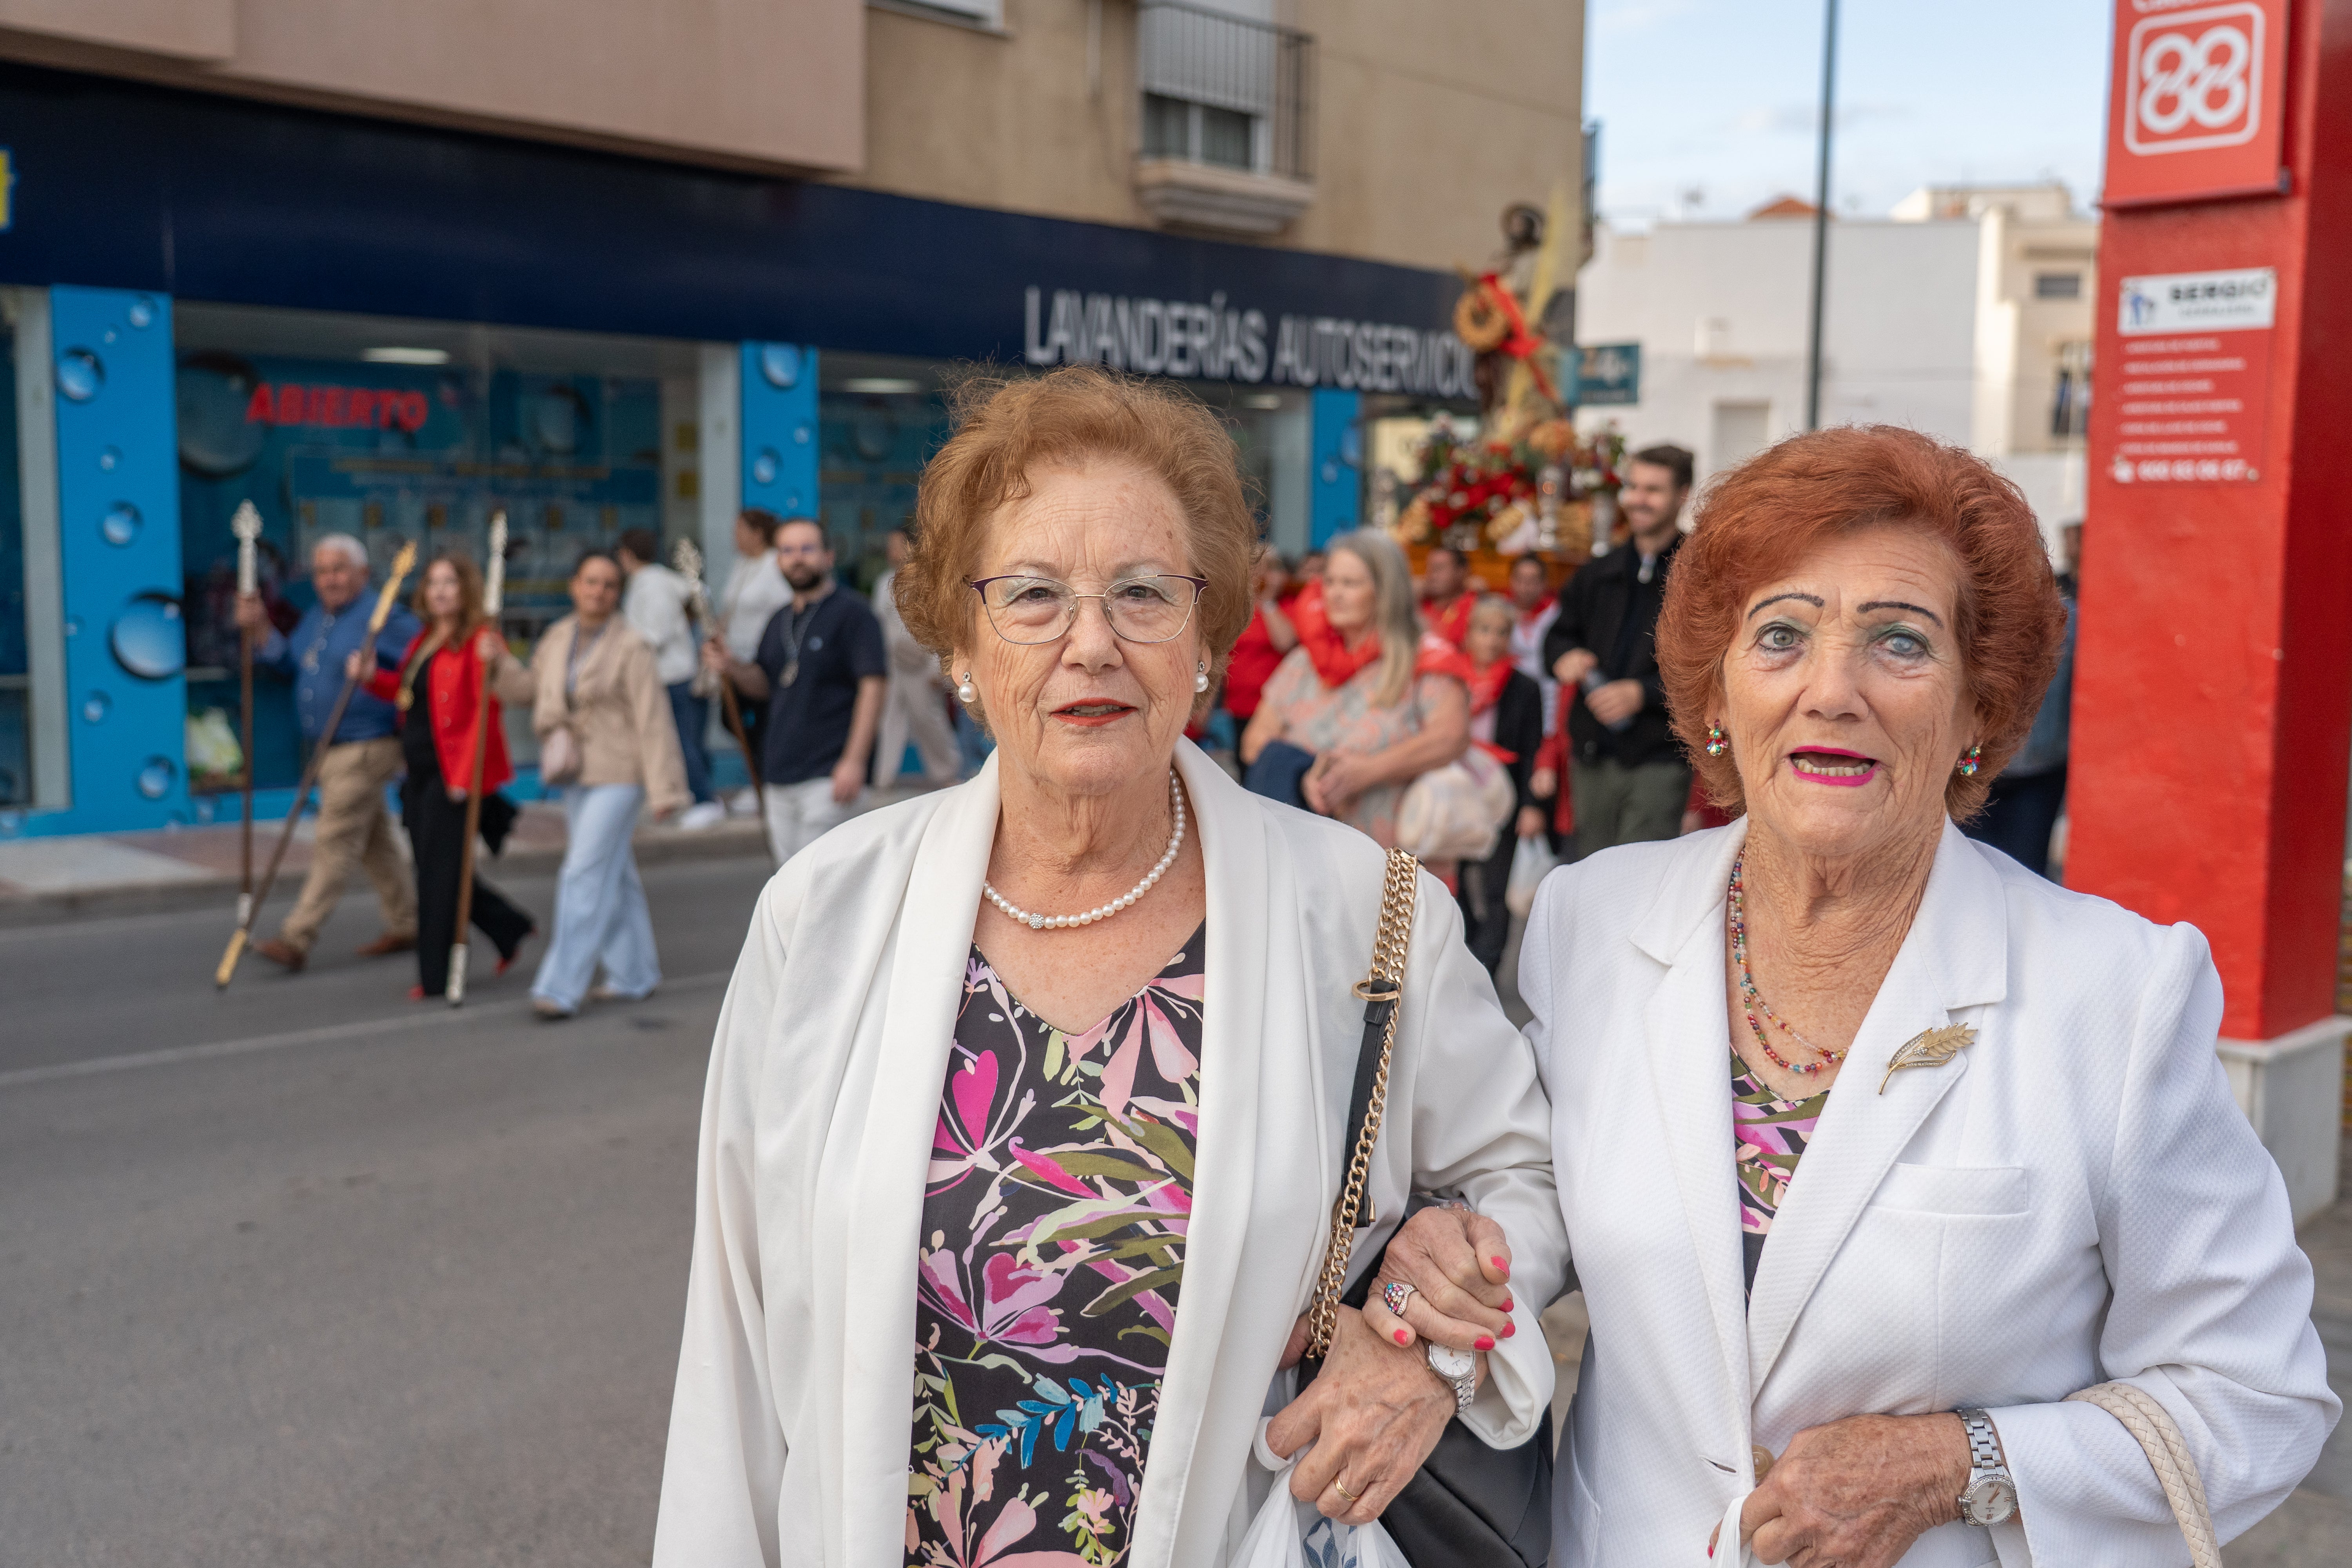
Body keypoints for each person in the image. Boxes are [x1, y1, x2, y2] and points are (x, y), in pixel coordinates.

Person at [650, 365, 1567, 1567]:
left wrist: (1422, 1336)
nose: (1092, 643)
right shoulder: (824, 914)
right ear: (962, 643)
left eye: (1142, 592)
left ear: (1203, 639)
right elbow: (733, 1333)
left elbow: (1524, 1175)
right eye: (1032, 595)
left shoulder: (1362, 909)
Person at [1515, 425, 2337, 1564]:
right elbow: (1531, 1196)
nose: (1831, 690)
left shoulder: (2112, 990)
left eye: (1898, 642)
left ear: (1975, 711)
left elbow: (2257, 1398)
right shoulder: (1591, 922)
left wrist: (1964, 1460)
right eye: (1781, 634)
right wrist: (1446, 1263)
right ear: (1716, 691)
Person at [352, 552, 537, 1000]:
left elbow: (481, 716)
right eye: (433, 583)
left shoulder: (480, 642)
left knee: (437, 878)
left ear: (466, 589)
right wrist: (372, 678)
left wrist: (463, 777)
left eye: (449, 582)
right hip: (417, 771)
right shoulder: (426, 639)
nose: (439, 591)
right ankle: (509, 926)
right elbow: (409, 695)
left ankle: (435, 976)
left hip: (450, 774)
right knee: (439, 867)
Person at [234, 534, 422, 972]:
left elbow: (421, 671)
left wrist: (383, 682)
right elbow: (290, 663)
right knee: (375, 842)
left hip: (367, 743)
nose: (329, 579)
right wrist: (259, 627)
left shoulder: (385, 617)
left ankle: (296, 937)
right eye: (321, 571)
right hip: (329, 747)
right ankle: (407, 922)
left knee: (335, 839)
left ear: (363, 573)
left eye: (339, 569)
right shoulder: (318, 617)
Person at [527, 550, 691, 1020]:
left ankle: (560, 987)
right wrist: (494, 663)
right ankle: (634, 974)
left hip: (621, 774)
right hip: (575, 772)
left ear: (618, 593)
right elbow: (529, 689)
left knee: (583, 872)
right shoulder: (558, 637)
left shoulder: (632, 645)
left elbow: (653, 720)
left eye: (609, 584)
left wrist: (665, 790)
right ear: (574, 585)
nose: (598, 591)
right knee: (614, 877)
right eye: (590, 581)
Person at [1238, 531, 1473, 848]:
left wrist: (1366, 772)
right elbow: (1253, 741)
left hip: (1392, 857)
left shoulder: (1425, 660)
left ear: (1385, 591)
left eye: (1350, 584)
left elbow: (1451, 739)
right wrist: (1308, 773)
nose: (1335, 594)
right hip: (1304, 852)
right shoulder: (1305, 661)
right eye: (1330, 582)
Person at [702, 518, 887, 863]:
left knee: (817, 880)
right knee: (788, 879)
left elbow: (873, 687)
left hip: (830, 776)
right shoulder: (779, 620)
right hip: (779, 774)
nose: (797, 558)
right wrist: (731, 666)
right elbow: (764, 686)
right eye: (787, 551)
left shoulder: (855, 614)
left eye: (807, 549)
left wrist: (854, 761)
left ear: (829, 556)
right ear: (778, 561)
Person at [1543, 442, 1695, 859]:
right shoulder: (1597, 572)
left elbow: (1715, 665)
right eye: (1633, 487)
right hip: (1593, 754)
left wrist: (1642, 693)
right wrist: (1565, 656)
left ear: (1682, 495)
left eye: (1653, 490)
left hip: (1660, 755)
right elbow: (1557, 637)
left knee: (1641, 874)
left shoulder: (1702, 575)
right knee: (1589, 869)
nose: (1638, 499)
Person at [1457, 596, 1545, 974]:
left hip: (1500, 797)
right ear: (1468, 634)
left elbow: (1532, 750)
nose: (1492, 640)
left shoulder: (1524, 687)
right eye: (1484, 630)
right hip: (1454, 795)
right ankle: (1457, 960)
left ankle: (1486, 972)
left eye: (1502, 632)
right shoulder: (1450, 679)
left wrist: (1531, 806)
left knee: (1495, 889)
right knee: (1454, 882)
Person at [617, 527, 725, 831]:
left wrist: (622, 647)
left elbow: (657, 632)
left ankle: (704, 800)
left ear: (626, 556)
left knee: (683, 743)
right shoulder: (657, 581)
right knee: (686, 741)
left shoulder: (653, 585)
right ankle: (699, 797)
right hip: (673, 674)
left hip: (674, 676)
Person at [1965, 587, 2073, 878]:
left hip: (2038, 774)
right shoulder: (1979, 624)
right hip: (1977, 765)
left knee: (2024, 870)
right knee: (1964, 861)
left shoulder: (2069, 623)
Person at [871, 527, 961, 787]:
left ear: (911, 547)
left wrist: (938, 668)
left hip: (923, 664)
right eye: (890, 546)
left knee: (927, 718)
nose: (892, 551)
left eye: (897, 545)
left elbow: (941, 628)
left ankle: (946, 773)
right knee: (889, 720)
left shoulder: (928, 581)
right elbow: (879, 625)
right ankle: (883, 777)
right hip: (894, 664)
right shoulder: (883, 582)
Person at [717, 507, 793, 809]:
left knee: (764, 721)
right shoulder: (742, 565)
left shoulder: (774, 564)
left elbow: (787, 606)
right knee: (730, 718)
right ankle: (760, 774)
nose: (735, 537)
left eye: (740, 531)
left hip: (763, 657)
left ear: (758, 534)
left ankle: (765, 782)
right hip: (737, 658)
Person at [1218, 546, 1299, 727]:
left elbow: (1285, 643)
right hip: (1236, 704)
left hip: (1273, 707)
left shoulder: (1288, 605)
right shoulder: (1239, 609)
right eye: (1255, 567)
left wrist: (1268, 602)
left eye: (1268, 568)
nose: (1260, 575)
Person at [1504, 552, 1560, 733]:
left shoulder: (1557, 616)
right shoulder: (1499, 612)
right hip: (1507, 696)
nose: (1525, 587)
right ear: (1511, 581)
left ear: (1544, 583)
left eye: (1532, 581)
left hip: (1548, 698)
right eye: (1520, 580)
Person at [1417, 541, 1475, 646]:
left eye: (1440, 568)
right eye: (1430, 568)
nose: (1433, 575)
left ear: (1461, 571)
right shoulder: (1418, 604)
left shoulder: (1474, 608)